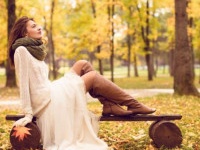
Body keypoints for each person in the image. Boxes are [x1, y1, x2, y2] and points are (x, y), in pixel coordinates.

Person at [8, 16, 156, 150]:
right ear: (24, 33)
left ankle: (109, 105)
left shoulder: (34, 50)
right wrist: (28, 114)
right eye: (33, 26)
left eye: (37, 24)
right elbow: (23, 84)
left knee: (83, 64)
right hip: (47, 101)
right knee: (92, 76)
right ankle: (132, 104)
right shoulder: (21, 51)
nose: (39, 27)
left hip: (51, 91)